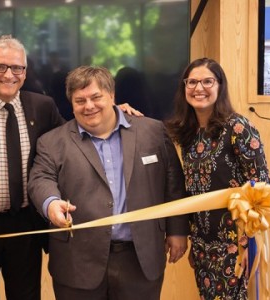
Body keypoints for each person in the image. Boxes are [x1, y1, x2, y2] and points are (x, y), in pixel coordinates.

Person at [0, 35, 142, 300]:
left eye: (17, 68)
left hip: (27, 226)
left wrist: (113, 113)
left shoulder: (42, 106)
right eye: (0, 66)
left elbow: (75, 134)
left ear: (25, 72)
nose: (9, 74)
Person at [27, 65, 189, 300]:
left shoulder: (153, 131)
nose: (89, 106)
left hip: (140, 258)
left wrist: (177, 230)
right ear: (71, 103)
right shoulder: (52, 142)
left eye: (95, 97)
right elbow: (41, 179)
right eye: (80, 100)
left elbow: (173, 182)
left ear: (112, 95)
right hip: (77, 262)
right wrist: (51, 204)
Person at [165, 58, 270, 300]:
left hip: (235, 245)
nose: (198, 88)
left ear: (220, 86)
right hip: (203, 245)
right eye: (191, 82)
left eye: (207, 81)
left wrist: (248, 245)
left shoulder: (238, 127)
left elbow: (262, 190)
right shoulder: (188, 133)